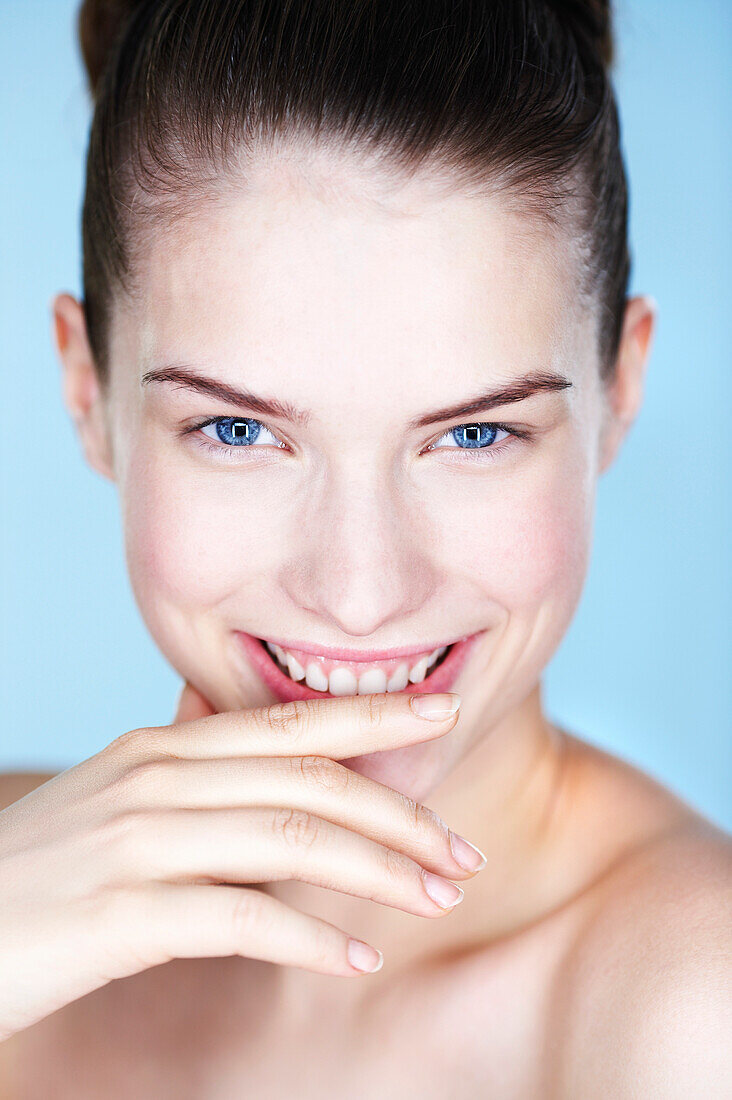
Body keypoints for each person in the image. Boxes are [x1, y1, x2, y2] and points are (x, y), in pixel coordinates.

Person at [0, 0, 729, 1094]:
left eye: (475, 434)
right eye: (239, 431)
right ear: (85, 386)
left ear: (620, 391)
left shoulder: (689, 1008)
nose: (357, 593)